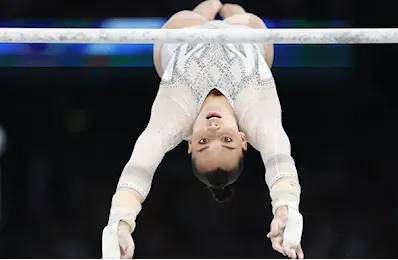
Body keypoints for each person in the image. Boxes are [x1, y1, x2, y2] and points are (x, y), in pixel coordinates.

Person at [101, 1, 304, 259]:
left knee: (190, 20)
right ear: (244, 139)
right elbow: (279, 157)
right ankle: (232, 13)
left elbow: (141, 162)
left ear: (188, 144)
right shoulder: (256, 115)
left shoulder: (175, 116)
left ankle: (204, 14)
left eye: (203, 141)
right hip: (246, 41)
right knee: (245, 21)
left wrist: (121, 220)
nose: (214, 127)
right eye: (227, 139)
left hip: (179, 44)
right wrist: (285, 207)